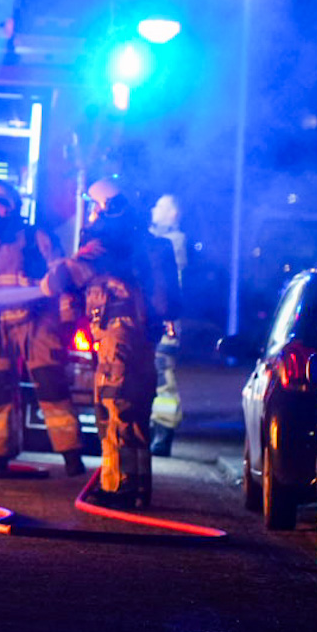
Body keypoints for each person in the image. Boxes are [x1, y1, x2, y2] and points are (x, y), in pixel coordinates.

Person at [0, 178, 85, 476]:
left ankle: (71, 454)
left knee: (52, 386)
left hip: (38, 322)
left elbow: (61, 277)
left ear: (13, 207)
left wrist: (66, 320)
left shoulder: (39, 238)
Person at [46, 177, 163, 508]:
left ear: (108, 209)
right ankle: (137, 486)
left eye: (96, 207)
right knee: (135, 412)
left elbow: (64, 277)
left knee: (115, 408)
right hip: (139, 337)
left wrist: (46, 282)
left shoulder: (103, 245)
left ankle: (118, 489)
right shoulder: (138, 243)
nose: (92, 214)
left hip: (117, 335)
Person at [148, 194, 187, 456]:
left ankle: (163, 432)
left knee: (163, 376)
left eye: (160, 206)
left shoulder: (174, 241)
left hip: (164, 320)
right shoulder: (154, 238)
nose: (154, 209)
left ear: (173, 213)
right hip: (152, 318)